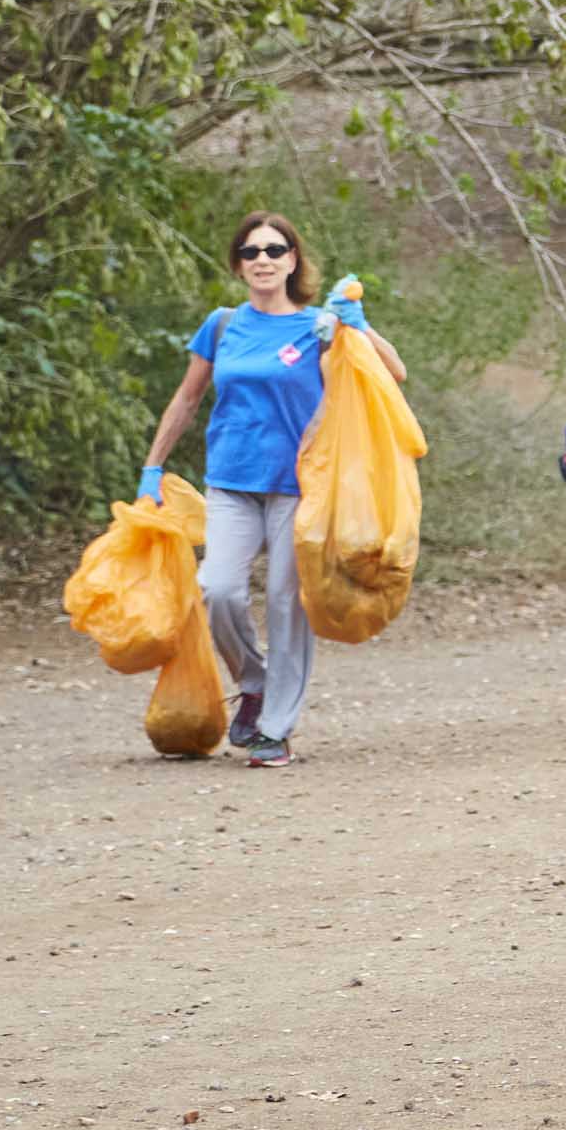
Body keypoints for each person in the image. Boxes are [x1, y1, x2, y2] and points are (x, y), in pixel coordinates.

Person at [138, 212, 408, 768]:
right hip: (232, 481)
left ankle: (276, 729)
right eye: (250, 250)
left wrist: (359, 325)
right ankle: (255, 681)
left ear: (292, 260)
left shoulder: (320, 326)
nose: (262, 258)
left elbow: (394, 374)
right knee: (219, 590)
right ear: (238, 264)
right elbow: (187, 399)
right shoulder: (222, 324)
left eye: (274, 249)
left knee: (287, 602)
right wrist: (153, 467)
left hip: (300, 486)